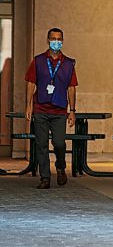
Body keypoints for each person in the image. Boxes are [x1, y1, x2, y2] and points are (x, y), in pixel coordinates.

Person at [25, 27, 77, 189]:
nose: (56, 41)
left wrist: (73, 111)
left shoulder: (68, 63)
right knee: (41, 144)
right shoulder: (38, 61)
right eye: (53, 38)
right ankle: (45, 177)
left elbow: (72, 87)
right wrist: (28, 105)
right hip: (40, 107)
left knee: (59, 142)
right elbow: (31, 83)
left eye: (59, 39)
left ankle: (60, 166)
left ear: (62, 41)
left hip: (60, 109)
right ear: (48, 40)